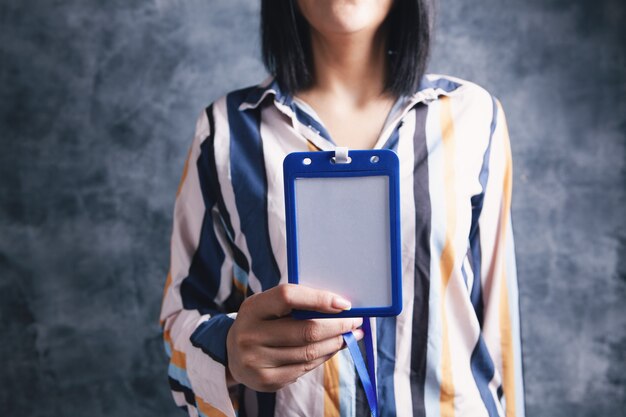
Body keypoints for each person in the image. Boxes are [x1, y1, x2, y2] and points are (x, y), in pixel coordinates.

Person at [159, 0, 525, 416]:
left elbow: (498, 324)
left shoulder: (474, 116)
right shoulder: (225, 130)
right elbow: (181, 317)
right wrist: (228, 349)